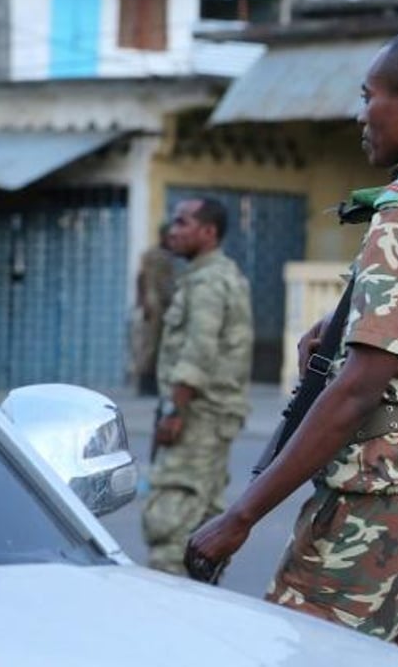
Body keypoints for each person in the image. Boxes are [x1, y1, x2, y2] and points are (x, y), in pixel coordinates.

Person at [186, 25, 398, 662]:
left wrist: (240, 518)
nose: (360, 114)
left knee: (298, 651)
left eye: (368, 96)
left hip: (380, 497)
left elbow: (359, 389)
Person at [142, 198, 254, 576]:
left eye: (182, 222)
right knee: (202, 517)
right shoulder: (211, 275)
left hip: (198, 415)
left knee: (172, 521)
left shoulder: (208, 282)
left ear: (208, 232)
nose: (172, 230)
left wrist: (175, 410)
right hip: (209, 415)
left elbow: (198, 350)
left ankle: (170, 612)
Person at [131, 223, 176, 396]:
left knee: (159, 345)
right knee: (150, 345)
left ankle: (154, 382)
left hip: (163, 305)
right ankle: (146, 384)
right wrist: (142, 301)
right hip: (155, 305)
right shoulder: (155, 255)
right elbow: (142, 278)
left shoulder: (167, 256)